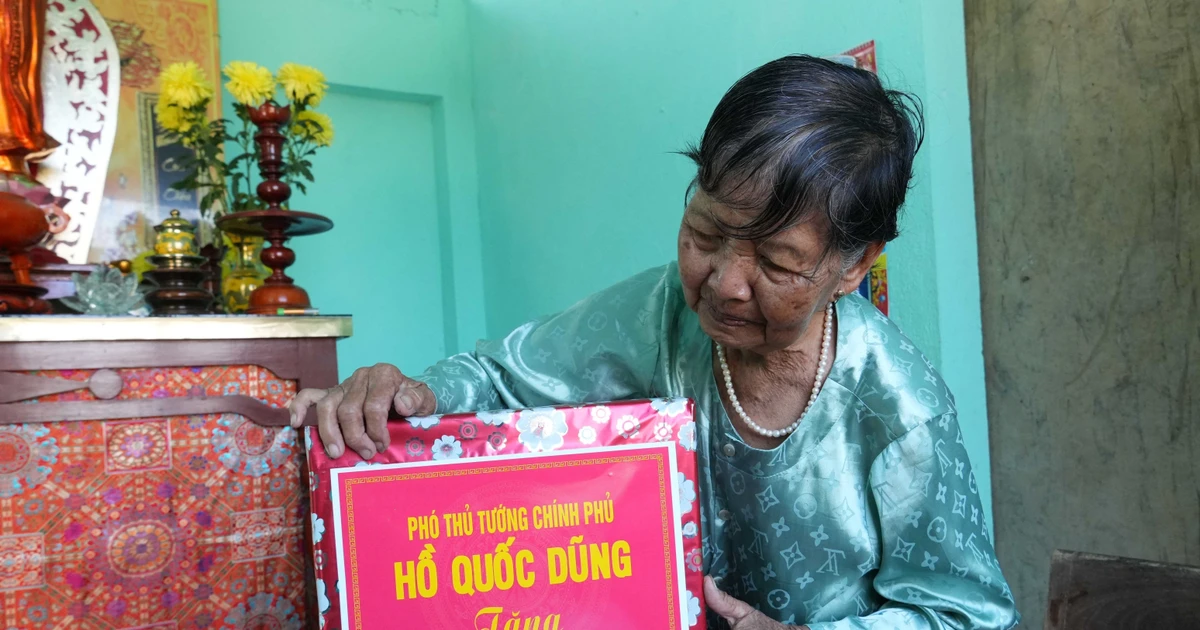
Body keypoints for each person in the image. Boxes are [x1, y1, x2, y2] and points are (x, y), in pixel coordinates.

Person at [290, 55, 1020, 630]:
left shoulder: (898, 410)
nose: (725, 282)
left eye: (775, 264)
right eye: (705, 232)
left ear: (854, 265)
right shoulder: (663, 308)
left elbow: (970, 616)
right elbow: (503, 377)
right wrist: (417, 393)